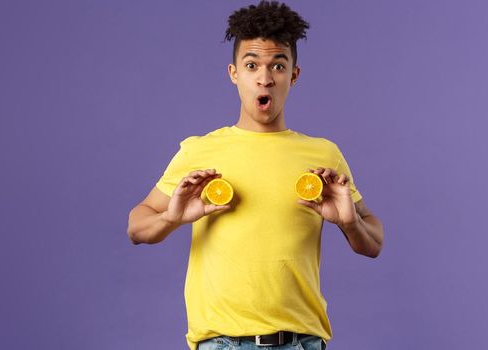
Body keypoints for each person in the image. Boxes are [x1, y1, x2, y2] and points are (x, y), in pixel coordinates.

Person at [127, 1, 384, 349]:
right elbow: (136, 227)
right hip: (222, 343)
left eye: (278, 65)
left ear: (293, 75)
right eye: (252, 65)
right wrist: (173, 217)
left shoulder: (324, 155)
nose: (264, 78)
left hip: (302, 343)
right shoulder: (199, 150)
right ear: (234, 73)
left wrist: (349, 222)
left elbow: (374, 243)